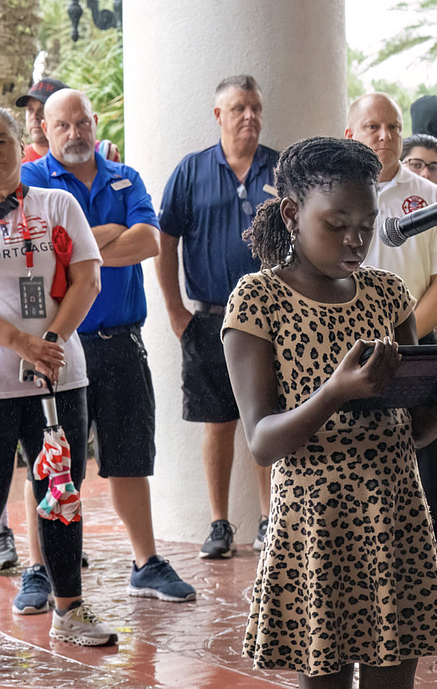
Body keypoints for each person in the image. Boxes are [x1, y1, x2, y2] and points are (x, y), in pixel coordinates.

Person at [222, 135, 437, 688]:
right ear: (292, 213)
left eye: (366, 223)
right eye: (336, 224)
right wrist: (336, 392)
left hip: (394, 515)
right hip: (316, 526)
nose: (355, 239)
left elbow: (416, 430)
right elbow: (262, 440)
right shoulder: (258, 300)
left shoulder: (387, 294)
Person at [21, 89, 195, 604]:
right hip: (61, 345)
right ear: (46, 131)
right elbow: (40, 256)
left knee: (129, 458)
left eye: (81, 123)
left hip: (122, 342)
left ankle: (146, 564)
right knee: (52, 463)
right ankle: (40, 571)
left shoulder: (126, 177)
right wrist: (110, 235)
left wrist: (78, 247)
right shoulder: (31, 181)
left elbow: (149, 240)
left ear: (94, 124)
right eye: (63, 126)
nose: (74, 134)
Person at [346, 93, 437, 600]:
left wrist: (404, 341)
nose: (384, 136)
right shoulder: (332, 193)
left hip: (417, 351)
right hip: (347, 356)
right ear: (351, 133)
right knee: (359, 466)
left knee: (434, 465)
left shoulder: (428, 196)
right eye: (373, 127)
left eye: (393, 127)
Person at [0, 106, 116, 645]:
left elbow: (86, 280)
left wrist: (49, 343)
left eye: (2, 138)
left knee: (62, 495)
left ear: (21, 142)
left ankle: (68, 609)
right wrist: (22, 342)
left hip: (58, 379)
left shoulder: (57, 204)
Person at [154, 75, 277, 559]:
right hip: (208, 320)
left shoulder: (281, 168)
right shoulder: (191, 171)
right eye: (239, 108)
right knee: (218, 423)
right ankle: (219, 525)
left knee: (266, 419)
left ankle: (270, 522)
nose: (249, 116)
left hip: (271, 321)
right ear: (219, 116)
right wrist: (174, 312)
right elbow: (164, 240)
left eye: (255, 107)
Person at [16, 78, 120, 164]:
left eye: (43, 109)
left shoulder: (102, 153)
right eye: (30, 109)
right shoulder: (16, 160)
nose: (35, 116)